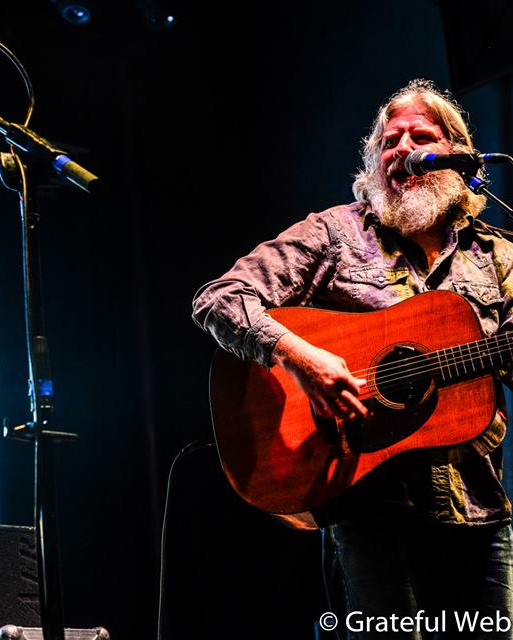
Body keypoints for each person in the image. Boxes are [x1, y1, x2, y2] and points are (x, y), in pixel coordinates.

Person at [193, 79, 513, 639]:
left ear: (456, 154)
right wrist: (302, 359)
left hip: (479, 512)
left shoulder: (498, 256)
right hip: (369, 514)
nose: (403, 149)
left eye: (421, 136)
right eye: (390, 140)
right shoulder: (334, 233)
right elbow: (218, 299)